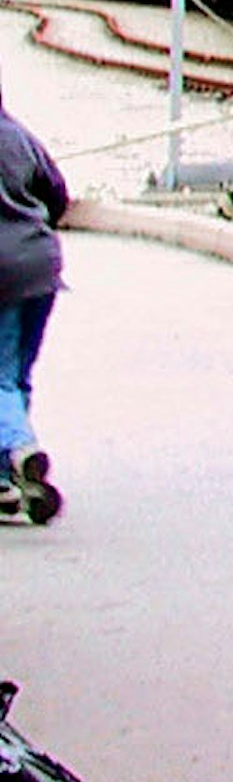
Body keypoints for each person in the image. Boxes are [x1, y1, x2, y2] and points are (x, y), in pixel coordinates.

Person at [0, 65, 62, 524]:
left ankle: (20, 450)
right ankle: (11, 479)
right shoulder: (18, 135)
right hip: (41, 264)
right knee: (16, 374)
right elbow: (56, 191)